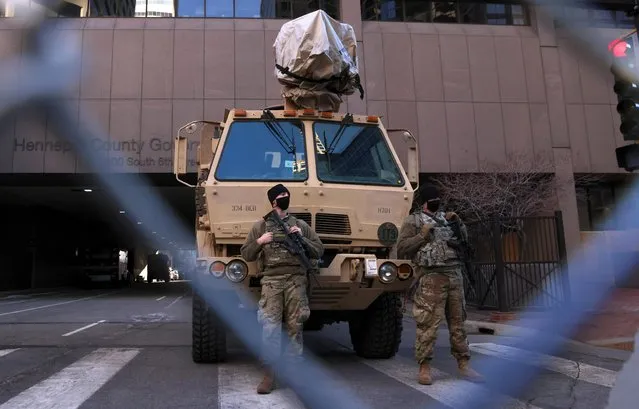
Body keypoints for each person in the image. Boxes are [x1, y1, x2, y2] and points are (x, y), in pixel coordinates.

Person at [240, 183, 324, 395]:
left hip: (296, 279)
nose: (286, 197)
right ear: (274, 201)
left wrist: (302, 238)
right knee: (270, 327)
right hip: (271, 280)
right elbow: (246, 254)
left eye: (287, 194)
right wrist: (260, 241)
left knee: (296, 326)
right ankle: (270, 373)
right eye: (282, 195)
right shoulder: (261, 226)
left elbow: (319, 250)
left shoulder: (299, 224)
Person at [396, 184, 483, 385]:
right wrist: (421, 235)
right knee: (428, 323)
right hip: (431, 276)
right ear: (425, 202)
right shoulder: (413, 221)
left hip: (454, 273)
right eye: (432, 199)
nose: (436, 203)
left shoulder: (448, 219)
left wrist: (459, 224)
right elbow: (402, 249)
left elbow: (464, 242)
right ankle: (424, 367)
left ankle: (464, 363)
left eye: (438, 199)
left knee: (458, 321)